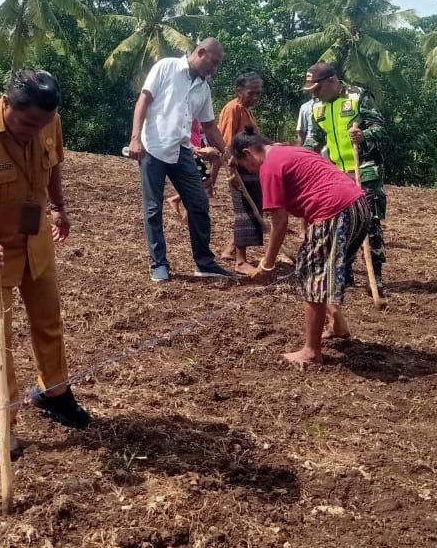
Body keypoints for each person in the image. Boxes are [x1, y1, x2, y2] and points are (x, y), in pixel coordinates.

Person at [0, 69, 92, 460]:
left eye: (42, 124)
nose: (35, 130)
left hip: (35, 241)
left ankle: (54, 392)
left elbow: (54, 164)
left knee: (49, 322)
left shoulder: (49, 120)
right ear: (6, 104)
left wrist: (59, 208)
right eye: (27, 123)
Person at [234, 129, 372, 368]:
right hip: (358, 207)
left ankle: (311, 351)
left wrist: (267, 264)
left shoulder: (269, 166)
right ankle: (338, 323)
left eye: (244, 165)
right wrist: (308, 229)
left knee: (312, 277)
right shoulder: (291, 151)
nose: (248, 171)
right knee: (319, 268)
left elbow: (279, 222)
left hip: (334, 212)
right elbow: (313, 184)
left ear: (248, 153)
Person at [127, 38, 235, 282]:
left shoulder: (204, 88)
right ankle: (159, 264)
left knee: (199, 203)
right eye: (214, 62)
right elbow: (143, 100)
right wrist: (135, 138)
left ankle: (204, 263)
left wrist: (226, 152)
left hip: (181, 151)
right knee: (153, 208)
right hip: (153, 148)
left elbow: (209, 126)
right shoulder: (166, 67)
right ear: (201, 52)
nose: (214, 69)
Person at [304, 62, 389, 293]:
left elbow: (381, 128)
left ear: (332, 81)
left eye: (317, 89)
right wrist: (302, 156)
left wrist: (364, 134)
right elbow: (314, 139)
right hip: (336, 175)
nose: (315, 95)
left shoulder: (357, 97)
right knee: (340, 224)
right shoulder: (318, 108)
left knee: (369, 223)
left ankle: (377, 277)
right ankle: (346, 272)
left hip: (365, 170)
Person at [218, 71, 266, 272]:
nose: (255, 97)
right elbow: (227, 142)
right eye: (251, 93)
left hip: (250, 167)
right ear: (239, 91)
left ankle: (231, 249)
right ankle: (240, 261)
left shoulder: (246, 110)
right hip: (239, 168)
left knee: (252, 207)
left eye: (257, 93)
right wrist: (233, 168)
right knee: (244, 211)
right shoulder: (233, 109)